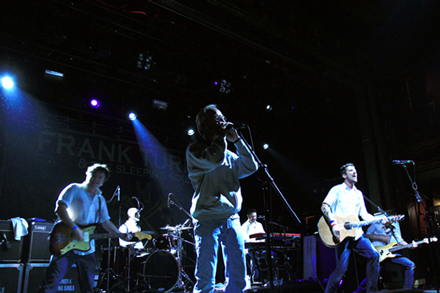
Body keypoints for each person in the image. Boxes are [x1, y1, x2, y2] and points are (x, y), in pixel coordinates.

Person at [186, 104, 259, 293]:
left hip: (231, 218)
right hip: (207, 218)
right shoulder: (195, 151)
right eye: (216, 119)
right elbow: (214, 159)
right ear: (204, 126)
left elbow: (252, 166)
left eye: (221, 118)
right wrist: (222, 138)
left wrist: (238, 142)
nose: (221, 121)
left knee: (238, 273)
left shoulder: (229, 154)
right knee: (206, 276)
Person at [39, 163, 131, 293]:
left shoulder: (100, 200)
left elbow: (105, 222)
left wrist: (120, 234)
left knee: (88, 288)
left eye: (100, 177)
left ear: (103, 181)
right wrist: (75, 228)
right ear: (87, 175)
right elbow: (60, 209)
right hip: (66, 245)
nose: (96, 179)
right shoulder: (74, 189)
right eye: (93, 175)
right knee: (50, 284)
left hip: (87, 250)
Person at [321, 163, 386, 293]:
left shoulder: (359, 194)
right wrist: (333, 224)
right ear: (344, 175)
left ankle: (372, 291)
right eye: (351, 171)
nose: (355, 173)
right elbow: (324, 206)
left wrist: (379, 219)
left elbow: (364, 214)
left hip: (357, 234)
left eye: (355, 170)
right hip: (341, 235)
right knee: (341, 269)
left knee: (374, 255)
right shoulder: (337, 190)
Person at [354, 216, 417, 292]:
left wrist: (410, 246)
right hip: (377, 253)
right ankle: (358, 291)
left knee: (410, 264)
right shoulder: (376, 225)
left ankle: (408, 289)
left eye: (393, 221)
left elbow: (401, 241)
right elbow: (367, 235)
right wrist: (381, 238)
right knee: (372, 275)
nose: (391, 222)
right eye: (391, 220)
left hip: (388, 253)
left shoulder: (392, 229)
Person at [241, 208, 266, 283]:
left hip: (259, 247)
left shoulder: (259, 225)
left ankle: (272, 278)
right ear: (248, 216)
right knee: (254, 258)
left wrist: (262, 241)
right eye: (252, 216)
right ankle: (254, 278)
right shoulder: (244, 226)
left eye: (255, 216)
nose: (253, 218)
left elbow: (263, 235)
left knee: (272, 256)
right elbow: (244, 238)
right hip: (249, 249)